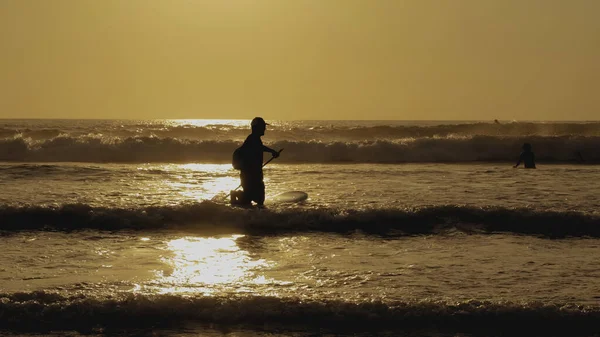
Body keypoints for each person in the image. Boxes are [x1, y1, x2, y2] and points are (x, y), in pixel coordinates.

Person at [231, 117, 280, 206]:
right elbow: (259, 148)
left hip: (255, 173)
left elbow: (258, 149)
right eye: (263, 126)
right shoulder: (252, 139)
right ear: (256, 128)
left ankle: (240, 199)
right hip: (249, 175)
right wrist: (272, 151)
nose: (265, 128)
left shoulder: (255, 139)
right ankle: (236, 194)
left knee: (258, 199)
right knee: (251, 199)